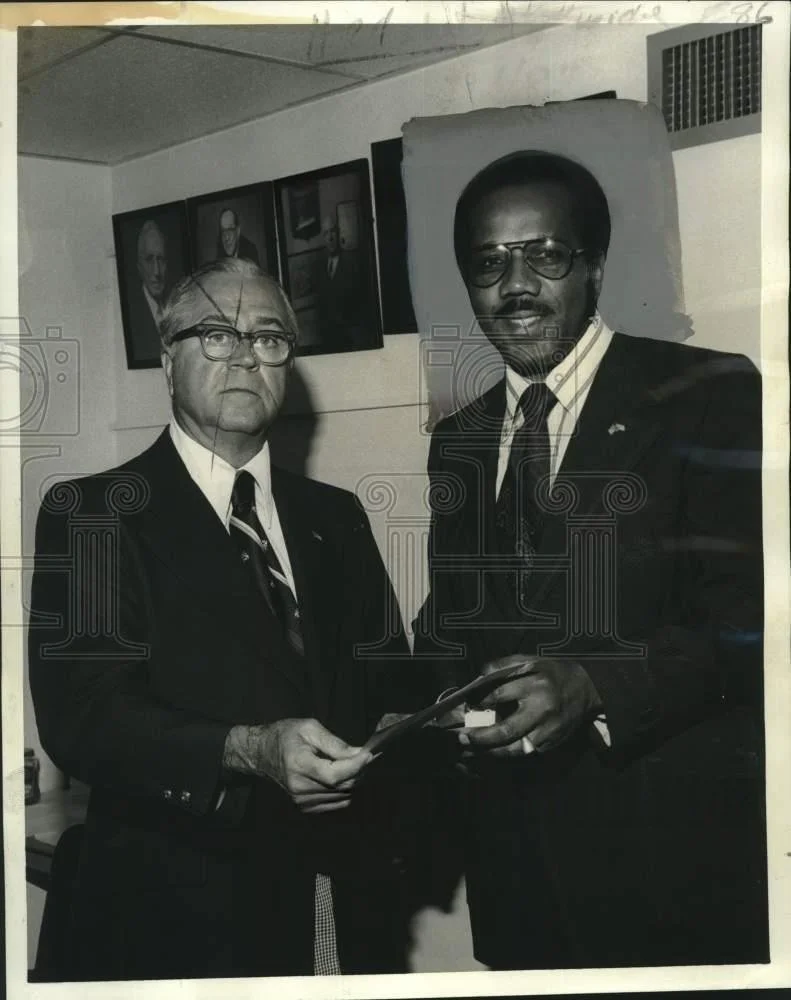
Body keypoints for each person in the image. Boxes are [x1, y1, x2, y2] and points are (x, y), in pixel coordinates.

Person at [414, 151, 767, 969]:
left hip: (671, 866)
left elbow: (755, 620)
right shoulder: (457, 442)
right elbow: (453, 625)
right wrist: (415, 712)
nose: (515, 284)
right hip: (513, 871)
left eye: (545, 254)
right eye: (488, 262)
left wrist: (596, 684)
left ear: (595, 266)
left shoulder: (707, 391)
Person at [29, 258, 417, 980]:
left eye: (269, 337)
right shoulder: (91, 514)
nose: (244, 353)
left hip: (337, 899)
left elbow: (383, 679)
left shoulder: (337, 517)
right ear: (167, 362)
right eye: (214, 333)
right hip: (176, 913)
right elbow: (84, 714)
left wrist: (430, 718)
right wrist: (246, 749)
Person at [316, 213, 370, 350]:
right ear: (323, 238)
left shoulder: (352, 262)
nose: (330, 237)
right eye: (326, 233)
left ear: (338, 232)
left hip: (352, 337)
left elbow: (362, 304)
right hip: (330, 338)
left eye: (333, 231)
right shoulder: (320, 266)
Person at [126, 219, 169, 361]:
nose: (156, 271)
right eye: (149, 260)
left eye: (161, 259)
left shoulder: (176, 308)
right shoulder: (133, 316)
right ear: (139, 267)